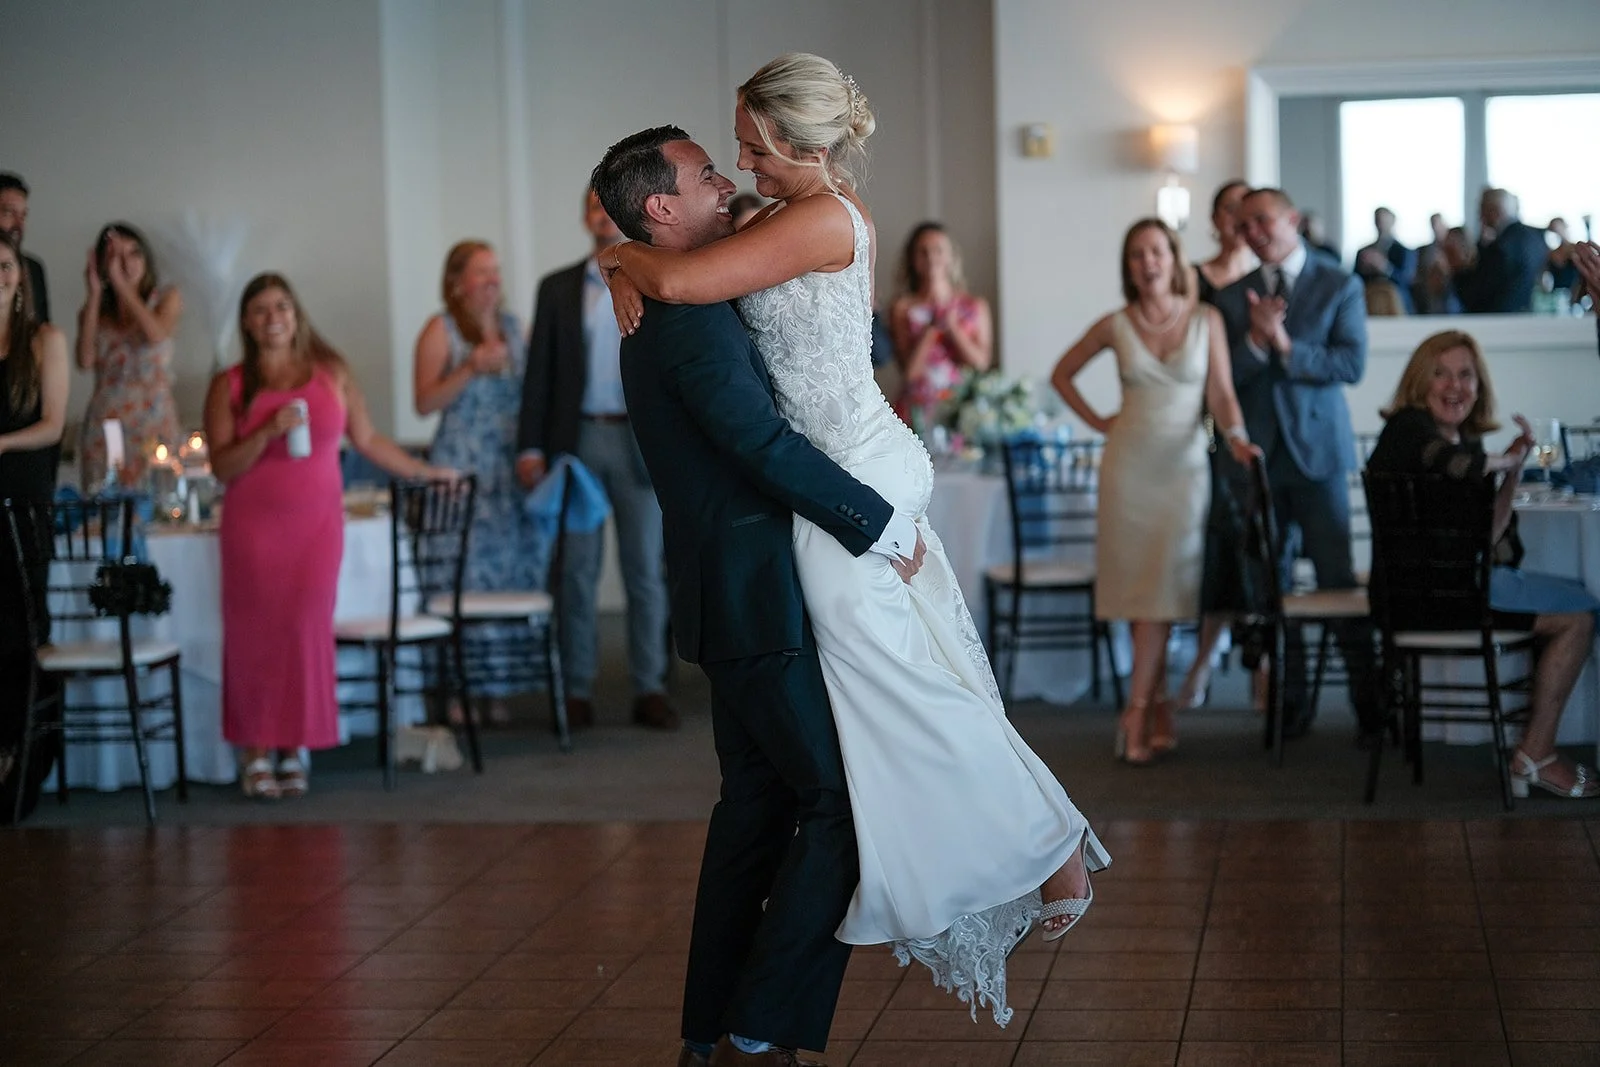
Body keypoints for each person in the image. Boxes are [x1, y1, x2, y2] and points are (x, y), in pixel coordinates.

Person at [595, 54, 1106, 1052]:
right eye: (715, 163)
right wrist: (620, 256)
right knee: (864, 735)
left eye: (744, 149)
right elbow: (737, 397)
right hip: (810, 520)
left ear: (803, 143)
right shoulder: (721, 271)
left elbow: (687, 281)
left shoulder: (799, 227)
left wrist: (619, 259)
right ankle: (737, 1025)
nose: (732, 171)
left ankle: (1043, 849)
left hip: (845, 490)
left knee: (893, 707)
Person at [204, 273, 452, 801]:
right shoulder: (229, 384)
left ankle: (296, 746)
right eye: (261, 309)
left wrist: (421, 471)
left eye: (282, 307)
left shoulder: (330, 372)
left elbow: (366, 439)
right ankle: (254, 749)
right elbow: (221, 466)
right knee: (252, 637)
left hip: (315, 527)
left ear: (296, 315)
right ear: (247, 322)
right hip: (252, 527)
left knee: (304, 630)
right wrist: (264, 432)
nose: (273, 316)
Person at [1050, 220, 1258, 763]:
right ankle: (1154, 704)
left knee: (1167, 589)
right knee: (1146, 595)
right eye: (1138, 254)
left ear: (1174, 258)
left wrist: (1236, 438)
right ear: (1129, 267)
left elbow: (1222, 394)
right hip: (1129, 470)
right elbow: (1061, 374)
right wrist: (1099, 421)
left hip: (1185, 472)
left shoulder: (1206, 319)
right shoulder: (1115, 324)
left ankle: (1138, 707)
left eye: (1157, 252)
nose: (1149, 262)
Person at [1367, 330, 1599, 798]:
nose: (1455, 386)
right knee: (1578, 618)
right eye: (1442, 374)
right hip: (1427, 598)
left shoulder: (1463, 444)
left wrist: (1511, 471)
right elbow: (1450, 464)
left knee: (1579, 595)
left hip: (1452, 588)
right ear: (1420, 380)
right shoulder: (1410, 430)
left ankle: (1534, 743)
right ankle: (1536, 752)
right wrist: (1497, 460)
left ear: (1479, 385)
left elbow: (1486, 537)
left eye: (1466, 375)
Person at [1212, 187, 1380, 742]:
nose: (1254, 232)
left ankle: (1369, 707)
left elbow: (1350, 363)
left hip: (1319, 459)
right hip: (1257, 460)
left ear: (1293, 218)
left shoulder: (1340, 284)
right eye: (1245, 225)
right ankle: (1291, 706)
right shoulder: (1232, 297)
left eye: (1262, 220)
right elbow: (1222, 377)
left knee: (1336, 580)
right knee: (1273, 588)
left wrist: (1285, 344)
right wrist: (1257, 346)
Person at [515, 189, 676, 731]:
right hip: (577, 441)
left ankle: (650, 687)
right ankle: (577, 689)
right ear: (585, 216)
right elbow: (540, 373)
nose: (601, 214)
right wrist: (532, 447)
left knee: (645, 572)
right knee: (577, 573)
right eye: (593, 205)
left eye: (610, 205)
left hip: (640, 442)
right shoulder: (558, 288)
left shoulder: (657, 278)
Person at [413, 240, 542, 724]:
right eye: (481, 271)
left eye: (496, 271)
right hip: (461, 469)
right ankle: (457, 692)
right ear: (456, 282)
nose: (492, 279)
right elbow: (424, 403)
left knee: (507, 573)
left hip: (507, 471)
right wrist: (469, 367)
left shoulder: (514, 329)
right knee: (459, 578)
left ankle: (496, 687)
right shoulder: (441, 329)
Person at [0, 231, 69, 822]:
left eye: (4, 265)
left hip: (23, 502)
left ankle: (28, 766)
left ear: (20, 275)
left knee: (24, 633)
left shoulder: (45, 340)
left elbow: (52, 425)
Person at [76, 222, 182, 492]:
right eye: (116, 256)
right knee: (110, 504)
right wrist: (96, 293)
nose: (126, 263)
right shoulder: (95, 312)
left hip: (154, 419)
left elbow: (156, 335)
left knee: (160, 503)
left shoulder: (165, 298)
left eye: (134, 253)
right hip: (107, 426)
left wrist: (123, 286)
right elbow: (85, 360)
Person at [888, 221, 993, 434]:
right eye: (923, 251)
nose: (930, 258)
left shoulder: (974, 306)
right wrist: (932, 330)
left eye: (938, 250)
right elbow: (909, 373)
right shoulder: (902, 308)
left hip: (961, 410)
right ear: (913, 259)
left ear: (950, 256)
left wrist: (952, 327)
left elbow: (981, 364)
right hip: (916, 410)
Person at [1456, 189, 1549, 313]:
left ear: (1494, 211)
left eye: (1482, 209)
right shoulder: (1536, 238)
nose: (1479, 216)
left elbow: (1481, 293)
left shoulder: (1501, 247)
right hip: (1529, 316)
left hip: (1499, 321)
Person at [1193, 179, 1258, 304]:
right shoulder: (1192, 277)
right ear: (1215, 218)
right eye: (1231, 209)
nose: (1240, 218)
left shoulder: (1270, 277)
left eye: (1247, 210)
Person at [0, 173, 49, 323]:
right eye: (9, 213)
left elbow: (42, 327)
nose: (19, 225)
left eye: (23, 215)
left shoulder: (33, 268)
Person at [1355, 207, 1417, 313]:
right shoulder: (1363, 252)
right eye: (1378, 220)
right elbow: (1355, 280)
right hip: (1369, 303)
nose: (1381, 224)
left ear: (1392, 221)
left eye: (1384, 220)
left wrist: (1384, 267)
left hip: (1398, 306)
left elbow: (1407, 280)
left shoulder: (1404, 251)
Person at [1413, 213, 1455, 315]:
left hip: (1449, 291)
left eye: (1438, 223)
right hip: (1427, 294)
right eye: (1433, 224)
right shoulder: (1424, 250)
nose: (1436, 227)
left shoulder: (1453, 247)